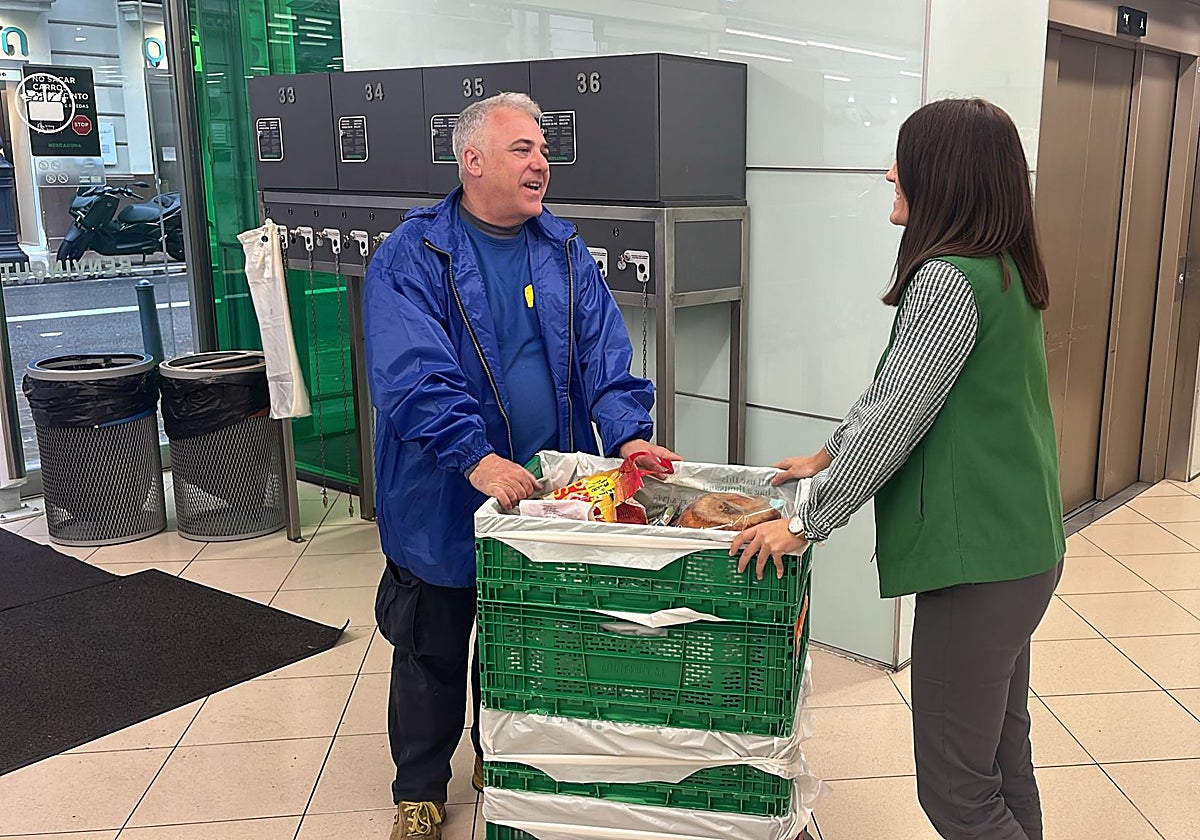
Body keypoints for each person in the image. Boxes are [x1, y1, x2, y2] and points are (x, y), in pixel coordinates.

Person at [733, 98, 1065, 840]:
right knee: (1003, 761)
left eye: (903, 158)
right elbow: (899, 390)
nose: (890, 171)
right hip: (1023, 552)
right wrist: (827, 451)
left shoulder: (948, 279)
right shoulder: (1004, 269)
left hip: (978, 568)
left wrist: (806, 521)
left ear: (943, 175)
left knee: (955, 791)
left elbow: (897, 420)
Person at [362, 91, 678, 840]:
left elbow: (605, 352)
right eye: (522, 150)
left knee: (520, 642)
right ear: (472, 161)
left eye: (541, 150)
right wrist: (474, 457)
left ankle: (499, 756)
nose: (541, 164)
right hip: (443, 491)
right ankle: (419, 788)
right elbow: (412, 373)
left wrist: (629, 432)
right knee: (432, 645)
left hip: (545, 497)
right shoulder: (414, 254)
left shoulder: (562, 248)